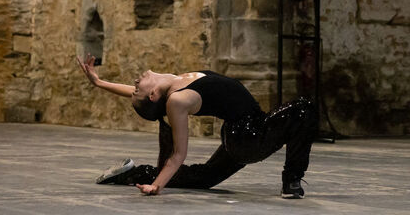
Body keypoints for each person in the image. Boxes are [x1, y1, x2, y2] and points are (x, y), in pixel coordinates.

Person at [76, 54, 317, 198]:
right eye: (138, 87)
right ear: (152, 96)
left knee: (202, 178)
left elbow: (133, 93)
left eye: (135, 86)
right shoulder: (177, 99)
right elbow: (178, 154)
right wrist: (157, 188)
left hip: (239, 134)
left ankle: (131, 175)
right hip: (247, 137)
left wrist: (99, 82)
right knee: (304, 108)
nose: (135, 82)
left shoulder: (174, 83)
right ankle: (291, 181)